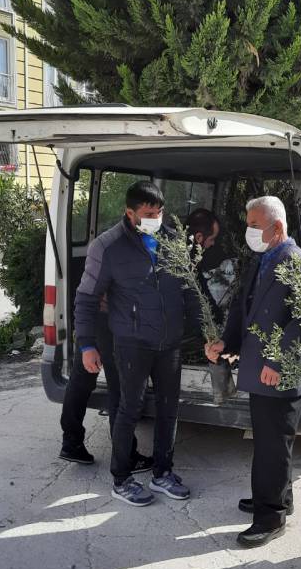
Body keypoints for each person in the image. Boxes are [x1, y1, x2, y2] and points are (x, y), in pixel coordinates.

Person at [74, 181, 201, 506]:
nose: (156, 218)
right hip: (131, 343)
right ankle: (121, 478)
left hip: (169, 342)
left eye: (159, 212)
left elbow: (189, 289)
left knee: (169, 409)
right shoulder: (108, 246)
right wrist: (87, 344)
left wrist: (203, 329)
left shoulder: (172, 240)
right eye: (148, 213)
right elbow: (86, 298)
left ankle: (162, 473)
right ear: (129, 213)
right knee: (129, 409)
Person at [206, 196, 301, 548]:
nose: (249, 231)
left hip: (280, 372)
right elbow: (244, 308)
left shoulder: (299, 263)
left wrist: (277, 362)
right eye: (249, 224)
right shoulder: (261, 260)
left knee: (272, 447)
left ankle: (270, 517)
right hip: (260, 367)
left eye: (254, 225)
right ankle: (279, 497)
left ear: (277, 227)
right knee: (270, 442)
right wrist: (227, 342)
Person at [58, 293, 153, 472]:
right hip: (113, 319)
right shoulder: (116, 263)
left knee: (80, 382)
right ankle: (126, 456)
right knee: (119, 389)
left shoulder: (94, 264)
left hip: (91, 318)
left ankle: (71, 443)